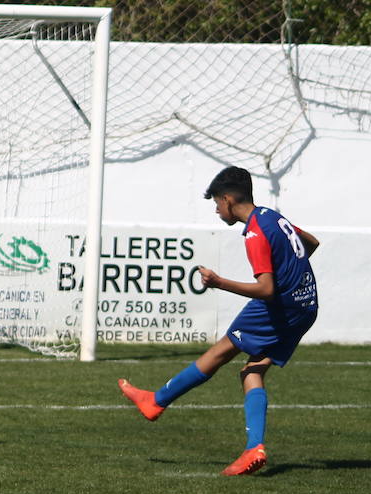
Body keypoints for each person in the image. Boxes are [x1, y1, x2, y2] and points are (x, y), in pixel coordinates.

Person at [117, 166, 319, 476]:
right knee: (251, 370)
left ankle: (156, 402)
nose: (216, 210)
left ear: (228, 199)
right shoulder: (272, 216)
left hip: (279, 305)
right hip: (306, 305)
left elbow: (266, 289)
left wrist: (219, 282)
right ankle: (254, 448)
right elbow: (311, 243)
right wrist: (289, 271)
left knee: (220, 351)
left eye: (216, 203)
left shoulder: (255, 233)